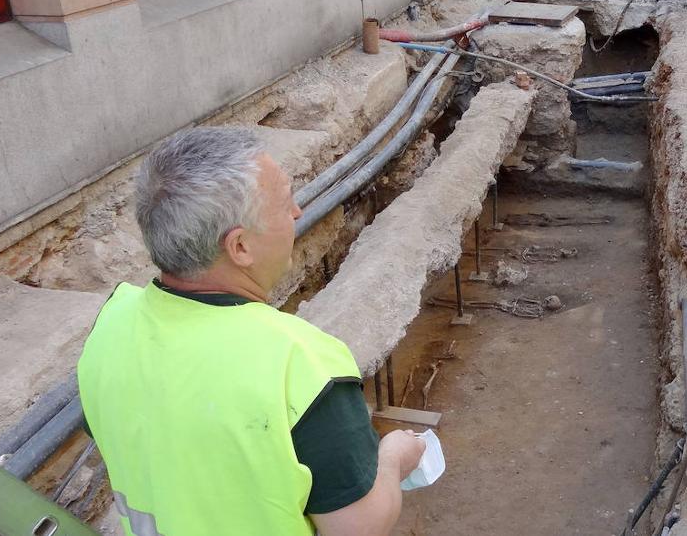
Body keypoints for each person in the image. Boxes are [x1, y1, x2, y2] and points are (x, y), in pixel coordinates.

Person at [78, 127, 426, 535]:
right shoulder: (302, 365)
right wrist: (393, 459)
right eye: (283, 203)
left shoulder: (112, 323)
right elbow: (358, 528)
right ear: (239, 247)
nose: (297, 212)